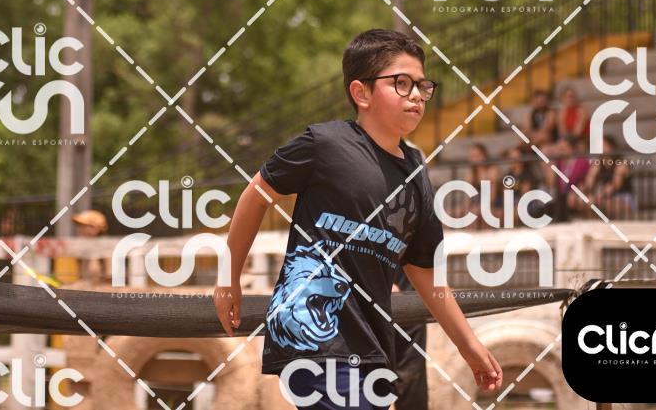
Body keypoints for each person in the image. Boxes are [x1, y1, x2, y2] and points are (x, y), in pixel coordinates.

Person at [214, 29, 502, 409]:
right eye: (401, 83)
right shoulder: (325, 144)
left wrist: (469, 346)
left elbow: (425, 273)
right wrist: (228, 278)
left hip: (374, 348)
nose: (417, 95)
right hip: (312, 340)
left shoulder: (417, 176)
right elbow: (257, 195)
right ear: (361, 93)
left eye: (422, 86)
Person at [580, 136, 635, 219]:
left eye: (604, 145)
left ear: (611, 147)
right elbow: (588, 184)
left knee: (604, 203)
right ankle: (596, 224)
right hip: (604, 197)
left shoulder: (622, 163)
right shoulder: (598, 164)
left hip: (623, 197)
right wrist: (592, 174)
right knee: (588, 201)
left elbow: (615, 185)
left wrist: (599, 195)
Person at [71, 209, 110, 284]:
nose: (79, 229)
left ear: (96, 228)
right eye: (79, 225)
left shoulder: (106, 248)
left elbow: (109, 278)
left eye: (83, 226)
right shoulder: (81, 247)